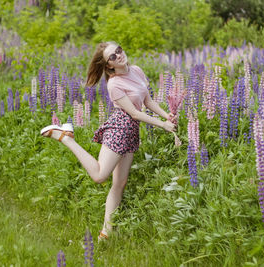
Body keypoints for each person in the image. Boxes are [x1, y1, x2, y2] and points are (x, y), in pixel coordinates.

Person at [40, 42, 176, 241]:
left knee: (120, 183)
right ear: (108, 66)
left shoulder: (137, 71)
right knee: (99, 175)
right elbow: (135, 113)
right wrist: (162, 125)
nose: (118, 55)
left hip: (131, 133)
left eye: (119, 50)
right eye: (112, 56)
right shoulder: (114, 84)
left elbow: (147, 101)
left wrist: (167, 115)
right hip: (120, 128)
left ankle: (106, 232)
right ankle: (66, 138)